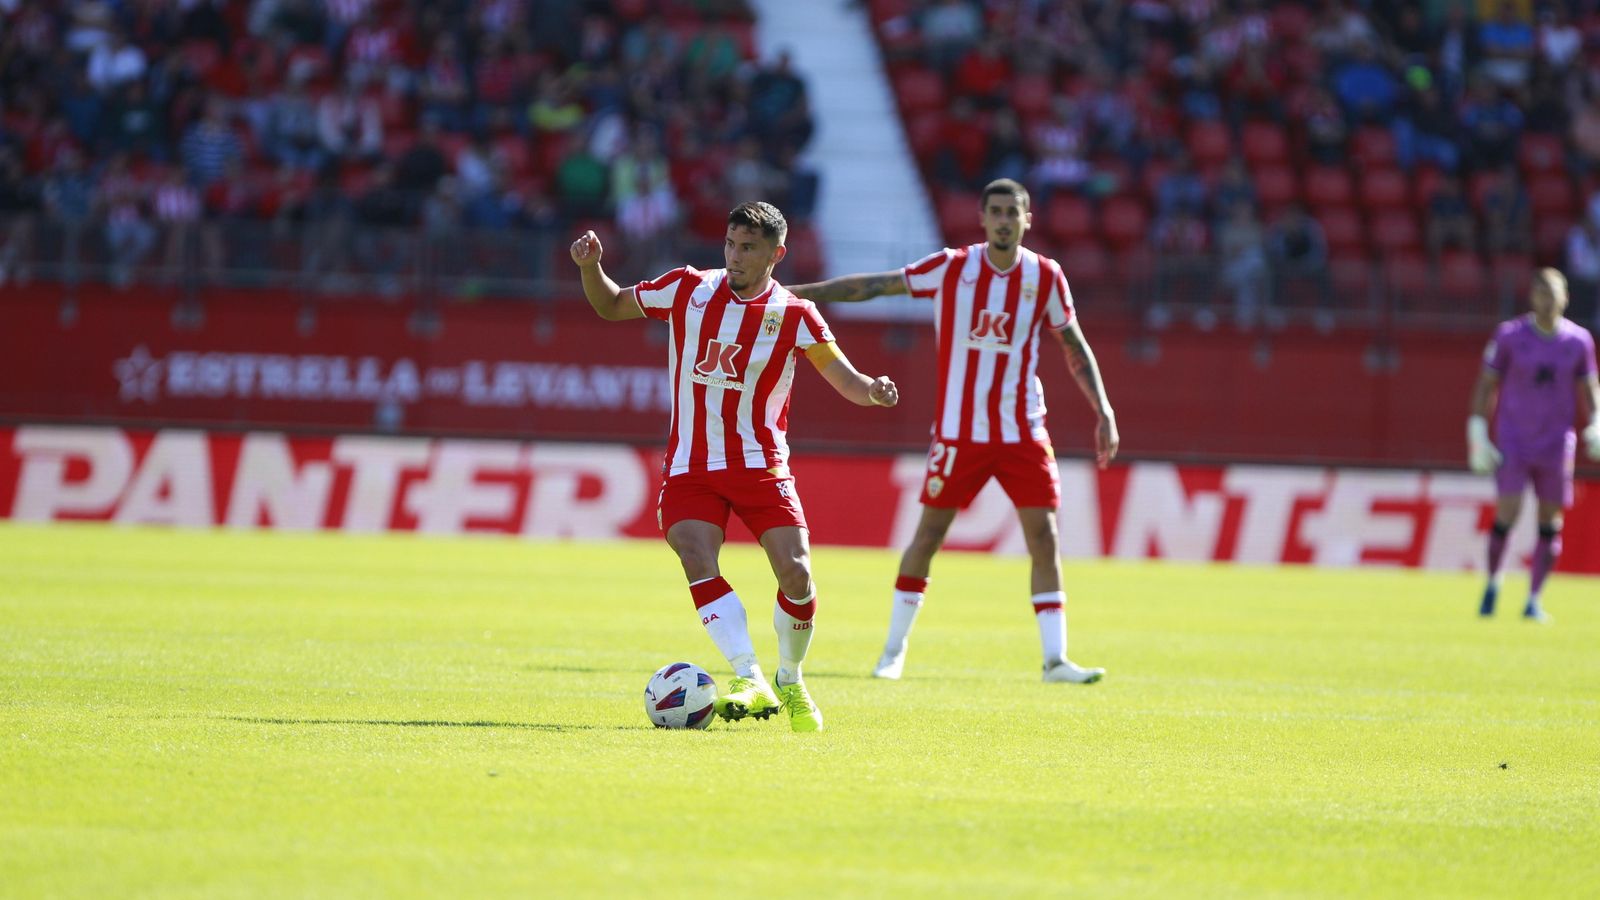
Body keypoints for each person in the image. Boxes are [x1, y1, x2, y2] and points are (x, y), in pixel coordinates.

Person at [570, 201, 899, 731]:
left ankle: (790, 677)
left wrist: (874, 392)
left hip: (759, 463)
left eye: (748, 248)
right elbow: (611, 306)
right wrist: (591, 269)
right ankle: (749, 674)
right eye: (730, 244)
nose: (735, 256)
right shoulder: (687, 289)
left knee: (796, 573)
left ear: (777, 253)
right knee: (696, 554)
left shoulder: (794, 314)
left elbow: (845, 379)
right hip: (691, 464)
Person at [788, 178, 1118, 684]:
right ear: (983, 219)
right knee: (928, 537)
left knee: (1045, 538)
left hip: (1023, 431)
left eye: (1014, 212)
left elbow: (1073, 345)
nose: (1005, 220)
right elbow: (875, 285)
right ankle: (892, 652)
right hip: (960, 434)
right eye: (997, 211)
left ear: (1027, 220)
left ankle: (1055, 660)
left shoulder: (1046, 277)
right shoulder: (953, 267)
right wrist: (796, 297)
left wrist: (1105, 411)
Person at [1467, 269, 1600, 623]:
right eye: (1540, 291)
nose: (1546, 298)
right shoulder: (1510, 336)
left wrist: (1597, 421)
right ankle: (1493, 582)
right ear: (1532, 296)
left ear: (1565, 297)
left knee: (1549, 520)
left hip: (1556, 444)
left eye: (1552, 292)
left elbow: (1590, 389)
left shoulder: (1578, 341)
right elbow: (1487, 384)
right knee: (1507, 512)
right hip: (1514, 439)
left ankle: (1534, 598)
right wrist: (1478, 432)